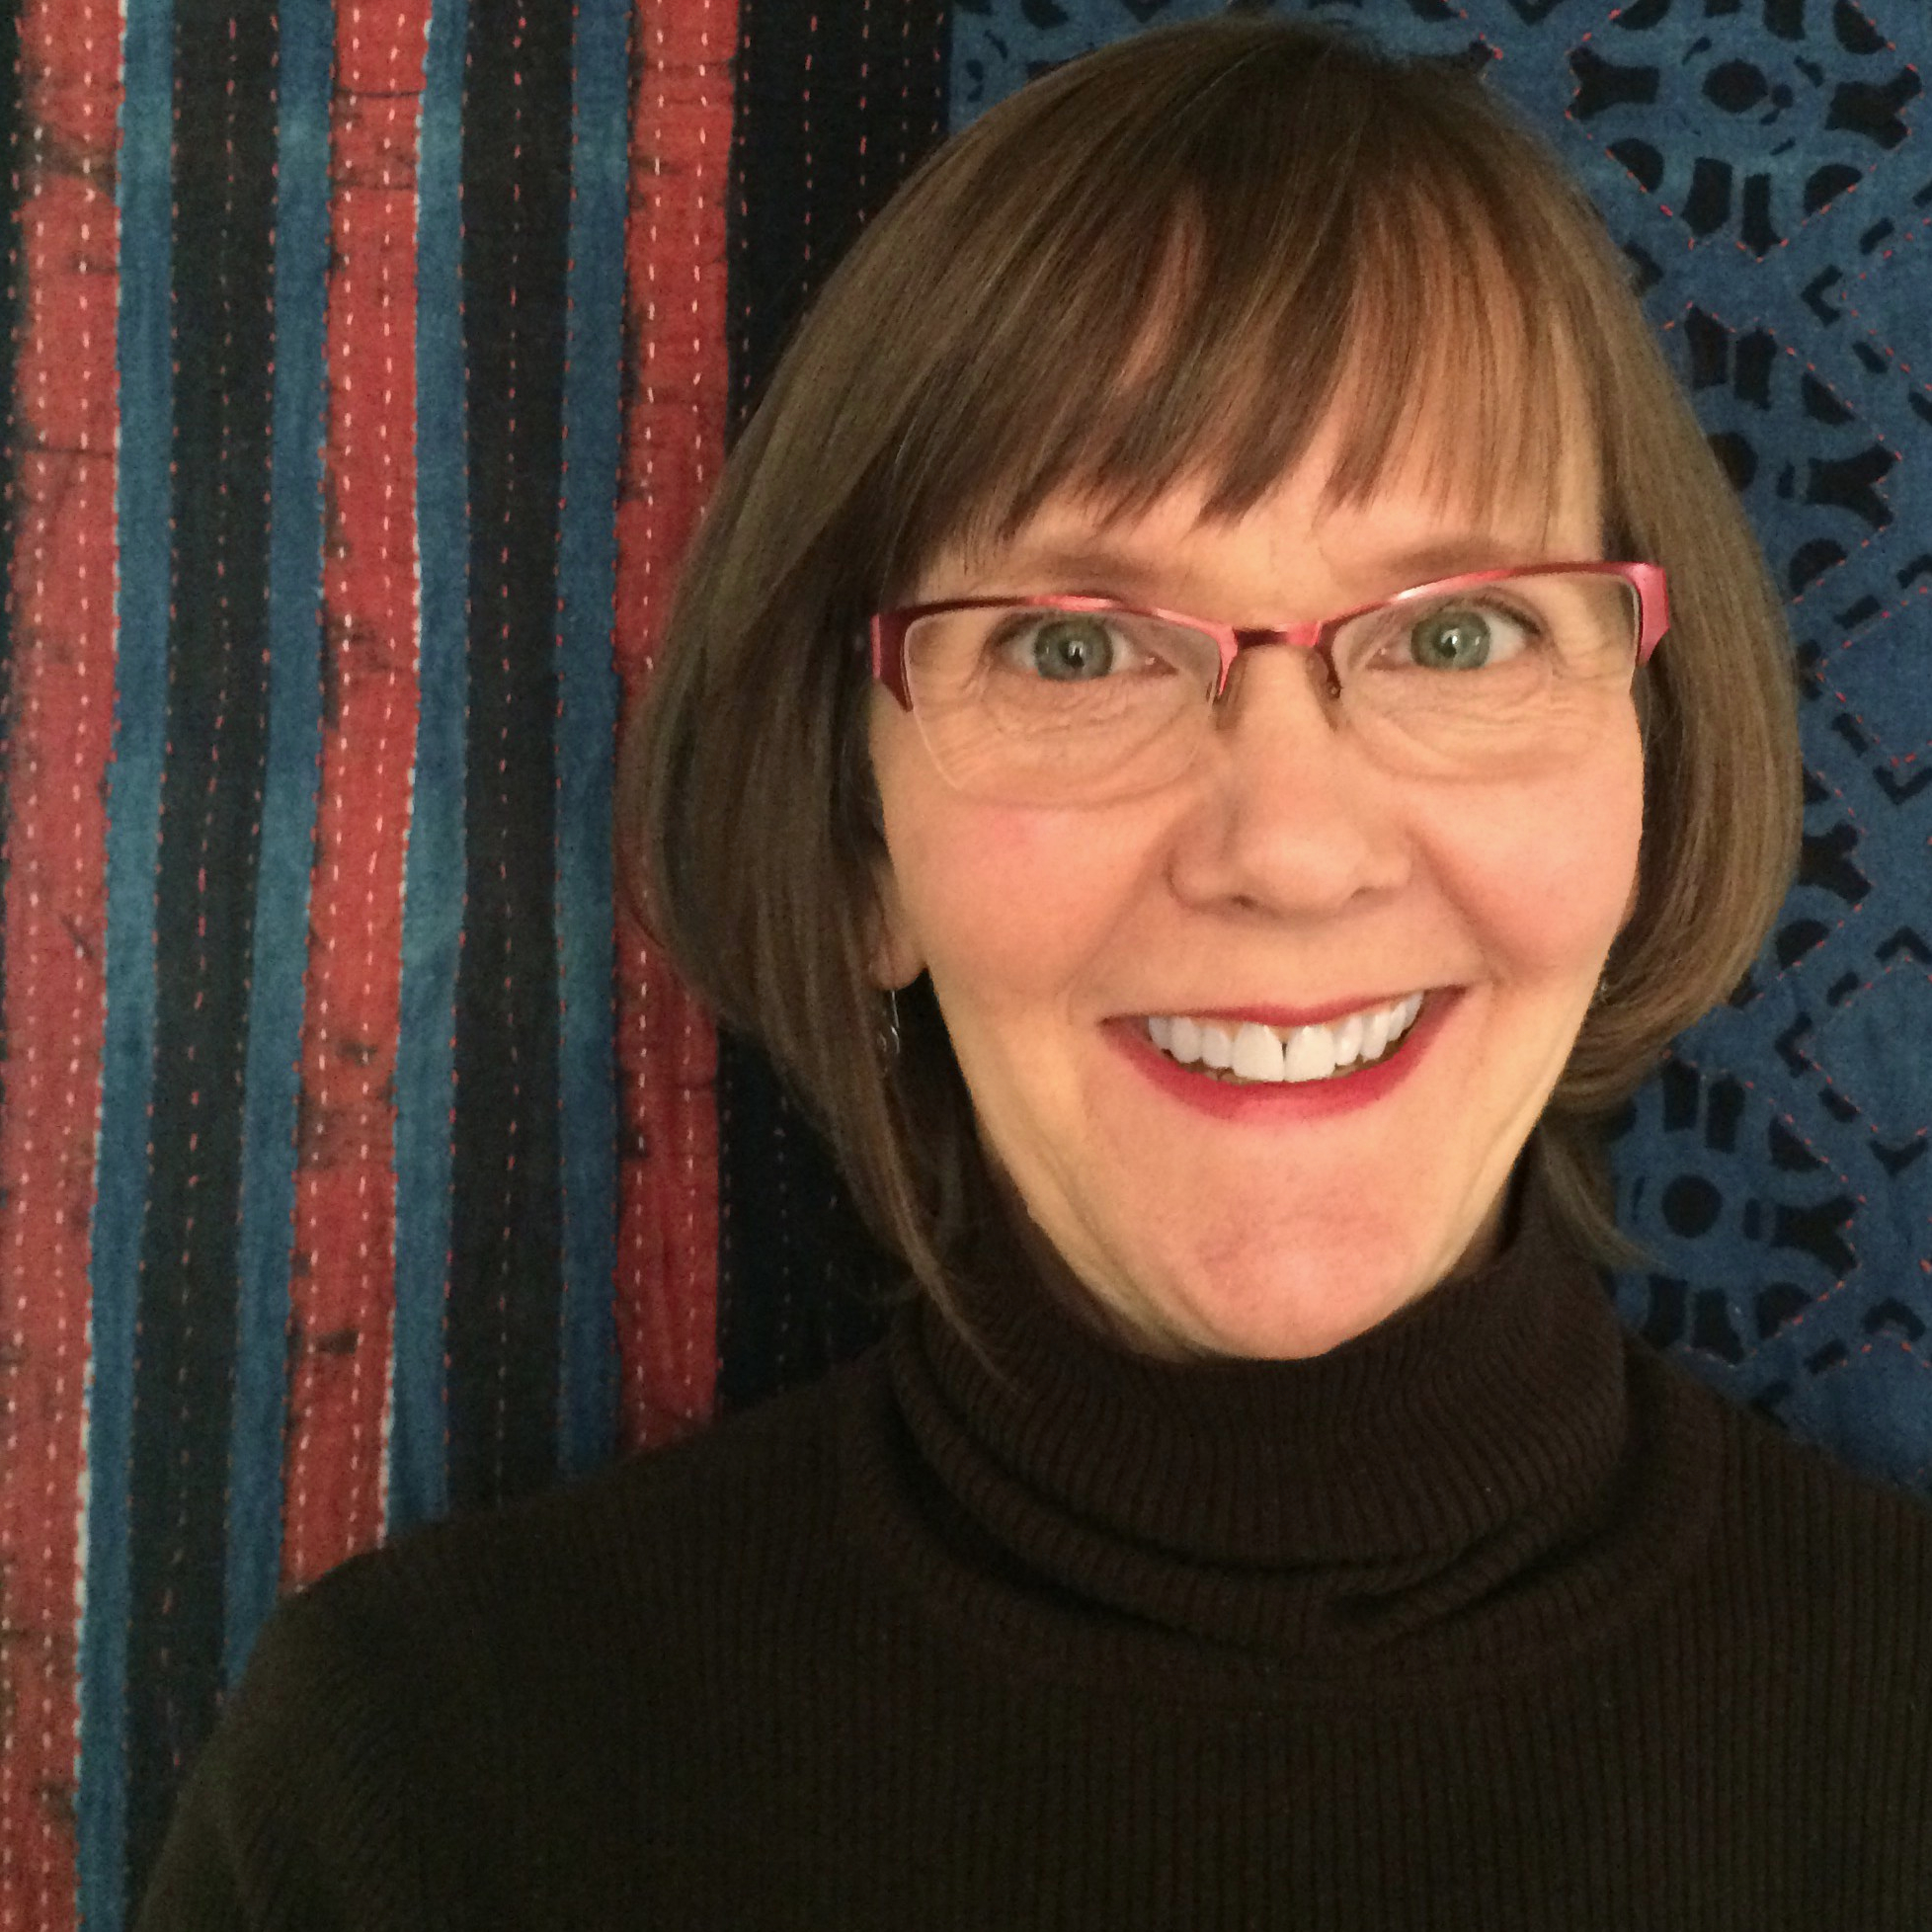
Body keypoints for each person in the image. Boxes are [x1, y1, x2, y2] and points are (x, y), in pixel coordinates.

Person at [140, 18, 1932, 1929]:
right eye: (1076, 650)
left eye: (1460, 635)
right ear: (858, 845)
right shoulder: (416, 1791)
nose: (1290, 848)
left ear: (1651, 771)